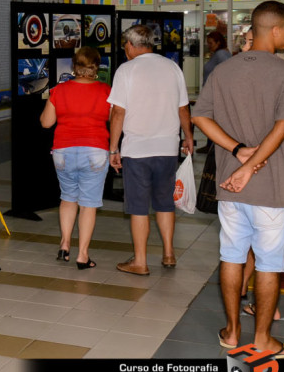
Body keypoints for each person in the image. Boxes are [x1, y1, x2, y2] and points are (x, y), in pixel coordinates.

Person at [191, 0, 284, 359]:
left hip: (229, 188)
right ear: (275, 30)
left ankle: (232, 330)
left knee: (232, 256)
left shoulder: (223, 70)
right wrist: (251, 163)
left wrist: (238, 151)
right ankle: (264, 339)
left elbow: (200, 118)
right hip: (271, 189)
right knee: (269, 263)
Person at [239, 29, 284, 320]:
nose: (246, 47)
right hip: (283, 160)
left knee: (250, 231)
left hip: (249, 158)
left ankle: (258, 297)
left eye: (248, 41)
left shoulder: (241, 76)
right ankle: (257, 294)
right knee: (269, 233)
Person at [108, 25, 193, 275]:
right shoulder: (172, 67)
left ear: (131, 45)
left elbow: (118, 113)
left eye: (125, 44)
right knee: (165, 203)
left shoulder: (126, 70)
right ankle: (168, 254)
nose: (125, 49)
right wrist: (188, 137)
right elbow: (183, 108)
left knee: (138, 206)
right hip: (167, 147)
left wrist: (113, 148)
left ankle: (141, 262)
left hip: (137, 149)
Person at [40, 47, 111, 269]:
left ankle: (64, 244)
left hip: (63, 151)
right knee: (88, 205)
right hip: (95, 151)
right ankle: (82, 255)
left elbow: (46, 122)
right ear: (97, 66)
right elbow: (113, 119)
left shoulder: (59, 91)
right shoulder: (106, 90)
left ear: (74, 66)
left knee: (68, 197)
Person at [198, 31, 232, 152]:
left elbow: (228, 73)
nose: (209, 46)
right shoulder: (217, 54)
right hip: (213, 93)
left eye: (211, 43)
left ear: (218, 42)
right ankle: (210, 145)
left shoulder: (221, 54)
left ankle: (213, 145)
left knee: (213, 120)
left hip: (217, 94)